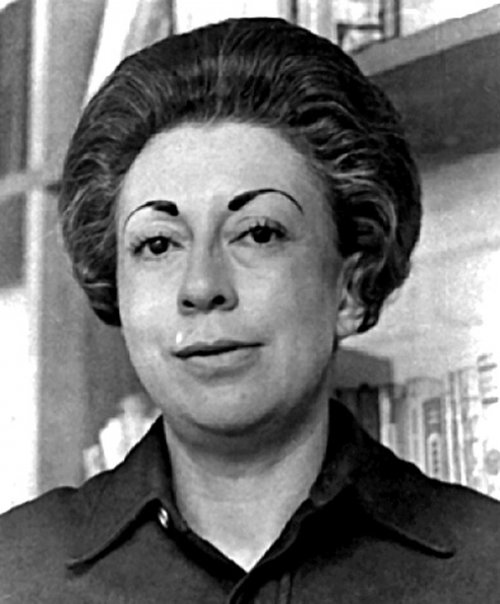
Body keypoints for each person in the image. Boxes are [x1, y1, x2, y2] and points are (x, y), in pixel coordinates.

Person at [1, 16, 499, 603]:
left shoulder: (486, 566)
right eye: (157, 244)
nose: (201, 286)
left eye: (258, 233)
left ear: (350, 285)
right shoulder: (15, 571)